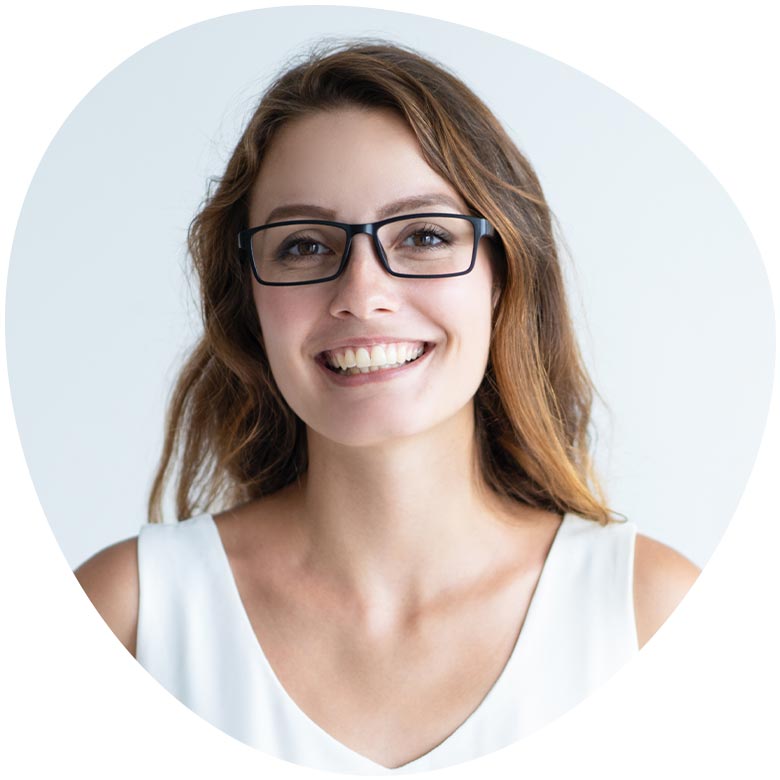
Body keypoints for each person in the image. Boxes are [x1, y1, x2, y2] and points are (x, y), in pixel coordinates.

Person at [75, 40, 700, 773]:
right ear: (249, 299)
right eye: (303, 246)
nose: (362, 294)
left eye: (424, 236)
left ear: (502, 278)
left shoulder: (651, 616)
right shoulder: (127, 617)